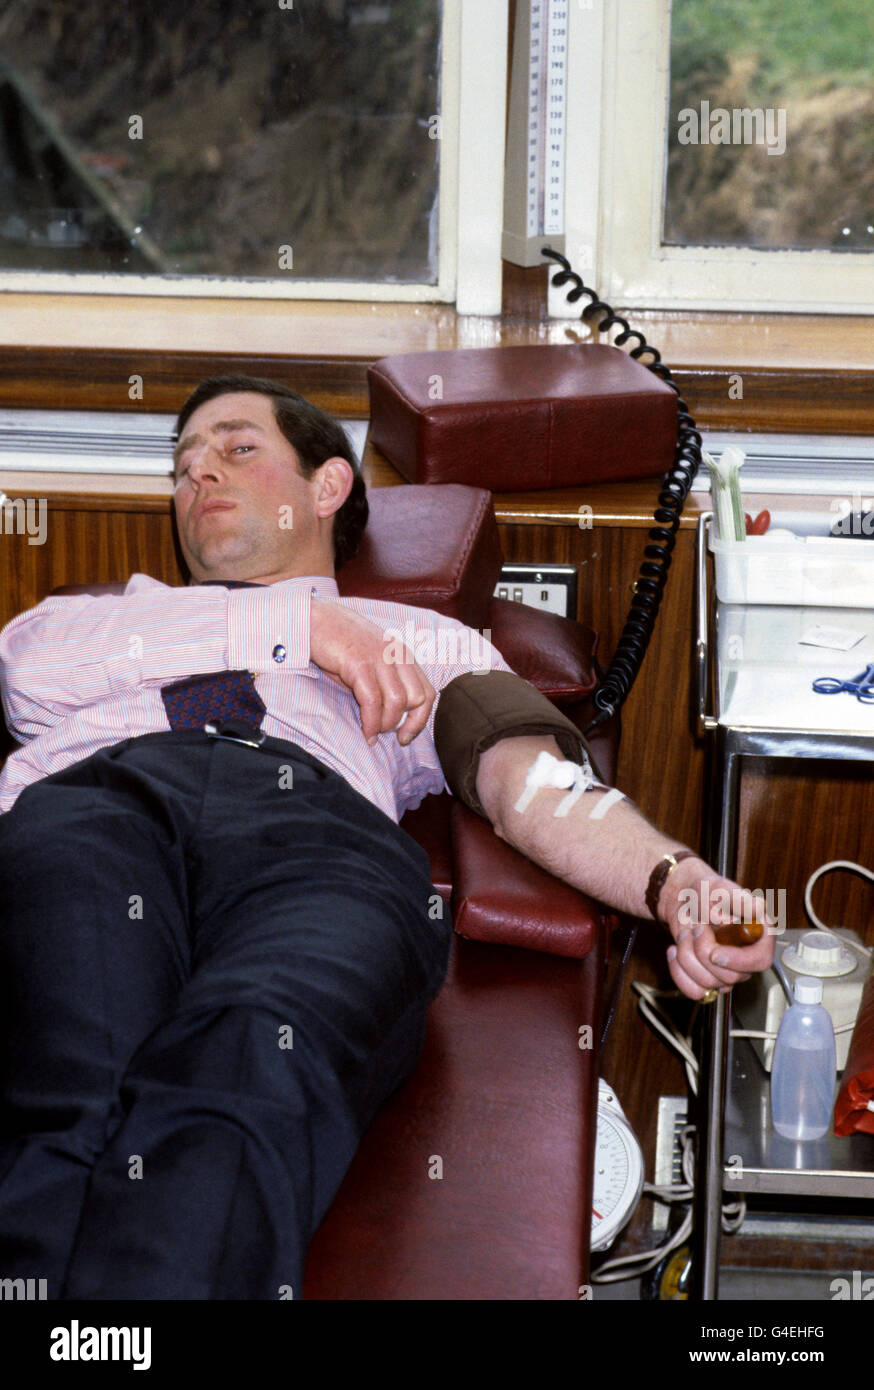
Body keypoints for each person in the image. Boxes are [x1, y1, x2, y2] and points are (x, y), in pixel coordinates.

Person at [0, 375, 774, 1300]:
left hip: (317, 848)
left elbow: (535, 788)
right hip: (99, 809)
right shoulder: (107, 616)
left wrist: (677, 882)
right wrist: (298, 625)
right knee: (71, 1077)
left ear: (327, 486)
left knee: (245, 1072)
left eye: (237, 447)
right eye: (183, 465)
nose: (198, 470)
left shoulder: (424, 640)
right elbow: (26, 678)